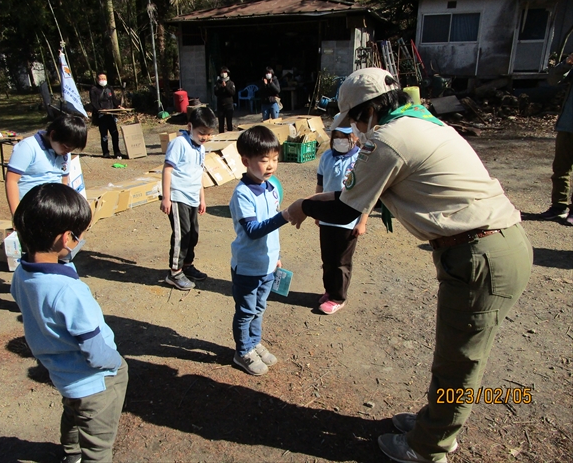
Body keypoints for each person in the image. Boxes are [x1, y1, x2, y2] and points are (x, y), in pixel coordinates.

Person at [285, 68, 533, 463]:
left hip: (481, 253)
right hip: (485, 247)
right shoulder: (422, 121)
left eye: (353, 120)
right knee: (453, 354)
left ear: (366, 112)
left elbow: (348, 202)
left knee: (459, 362)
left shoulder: (389, 138)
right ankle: (433, 423)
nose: (354, 129)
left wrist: (301, 205)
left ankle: (429, 447)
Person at [10, 183, 128, 463]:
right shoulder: (70, 292)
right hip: (95, 381)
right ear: (66, 239)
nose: (81, 240)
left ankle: (71, 455)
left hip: (63, 375)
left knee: (74, 416)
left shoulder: (21, 274)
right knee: (97, 444)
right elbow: (93, 349)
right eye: (80, 235)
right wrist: (116, 364)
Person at [230, 126, 289, 376]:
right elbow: (254, 230)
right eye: (264, 160)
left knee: (260, 308)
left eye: (275, 159)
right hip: (247, 266)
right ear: (246, 161)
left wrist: (275, 257)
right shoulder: (242, 194)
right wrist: (286, 216)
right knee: (245, 312)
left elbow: (271, 228)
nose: (271, 165)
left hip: (267, 264)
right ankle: (242, 350)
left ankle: (254, 342)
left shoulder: (271, 188)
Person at [160, 106, 217, 290]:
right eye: (202, 133)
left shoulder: (200, 148)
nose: (205, 138)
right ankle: (174, 272)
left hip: (193, 197)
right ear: (190, 126)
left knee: (193, 235)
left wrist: (202, 198)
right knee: (181, 235)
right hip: (177, 196)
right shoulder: (179, 143)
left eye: (208, 134)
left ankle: (187, 265)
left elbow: (198, 174)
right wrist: (166, 198)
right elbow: (167, 170)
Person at [315, 126, 368, 315]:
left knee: (341, 261)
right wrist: (317, 210)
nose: (339, 140)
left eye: (344, 137)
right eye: (336, 137)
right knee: (327, 258)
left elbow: (367, 193)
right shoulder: (327, 157)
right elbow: (320, 185)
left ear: (354, 137)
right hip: (327, 216)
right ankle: (330, 290)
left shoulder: (361, 159)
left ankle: (339, 297)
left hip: (349, 219)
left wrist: (362, 221)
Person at [5, 114, 87, 216]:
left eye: (71, 149)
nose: (67, 152)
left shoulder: (65, 153)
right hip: (30, 209)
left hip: (55, 210)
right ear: (53, 135)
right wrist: (16, 215)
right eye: (65, 147)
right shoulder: (28, 147)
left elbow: (64, 181)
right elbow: (11, 181)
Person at [538, 53, 573, 225]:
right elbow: (553, 80)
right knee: (560, 168)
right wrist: (566, 63)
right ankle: (558, 206)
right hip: (567, 126)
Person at [89, 71, 123, 159]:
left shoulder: (109, 88)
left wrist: (119, 106)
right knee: (104, 135)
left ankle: (117, 151)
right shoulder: (94, 89)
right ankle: (106, 152)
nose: (103, 80)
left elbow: (114, 99)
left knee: (115, 133)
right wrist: (100, 110)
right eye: (101, 79)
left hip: (111, 114)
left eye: (104, 78)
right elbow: (93, 103)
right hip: (101, 115)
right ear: (97, 79)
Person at [214, 66, 236, 133]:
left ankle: (230, 135)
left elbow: (232, 93)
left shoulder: (231, 83)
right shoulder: (217, 83)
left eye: (225, 72)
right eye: (222, 72)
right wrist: (221, 87)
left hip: (229, 105)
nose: (223, 74)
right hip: (220, 105)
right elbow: (216, 92)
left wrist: (226, 87)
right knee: (221, 123)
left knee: (229, 122)